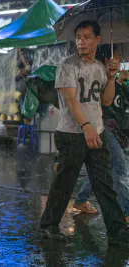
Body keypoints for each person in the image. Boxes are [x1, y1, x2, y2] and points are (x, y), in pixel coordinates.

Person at [39, 20, 129, 244]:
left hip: (96, 132)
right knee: (64, 183)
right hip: (71, 134)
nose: (81, 41)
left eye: (87, 37)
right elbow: (70, 101)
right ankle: (49, 226)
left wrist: (111, 78)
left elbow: (106, 101)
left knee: (104, 183)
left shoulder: (100, 67)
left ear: (98, 39)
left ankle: (117, 230)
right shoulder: (67, 65)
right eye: (78, 37)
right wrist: (86, 127)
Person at [73, 45, 129, 223]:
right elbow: (103, 102)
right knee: (119, 167)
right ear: (107, 58)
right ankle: (126, 211)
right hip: (103, 127)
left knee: (104, 169)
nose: (120, 62)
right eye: (117, 57)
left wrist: (118, 80)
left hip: (113, 129)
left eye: (120, 58)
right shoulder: (97, 75)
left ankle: (81, 200)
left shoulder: (112, 78)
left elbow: (115, 101)